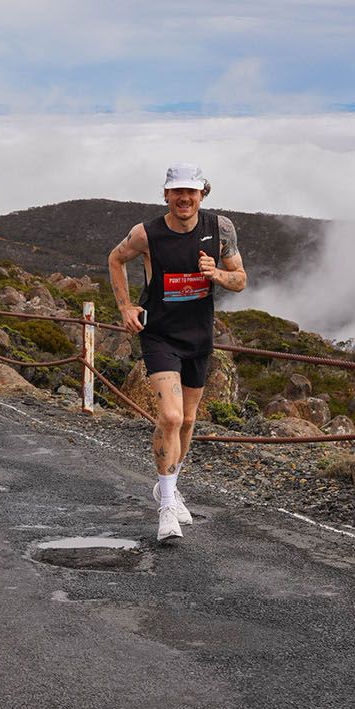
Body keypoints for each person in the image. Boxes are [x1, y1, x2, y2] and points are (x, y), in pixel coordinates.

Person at [107, 162, 247, 544]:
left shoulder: (220, 229)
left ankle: (168, 484)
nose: (184, 198)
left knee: (187, 421)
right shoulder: (147, 233)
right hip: (160, 334)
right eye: (176, 192)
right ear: (165, 194)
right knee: (169, 416)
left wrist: (216, 274)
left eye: (191, 191)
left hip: (199, 337)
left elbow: (240, 280)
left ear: (203, 193)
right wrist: (125, 308)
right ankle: (167, 506)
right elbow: (115, 259)